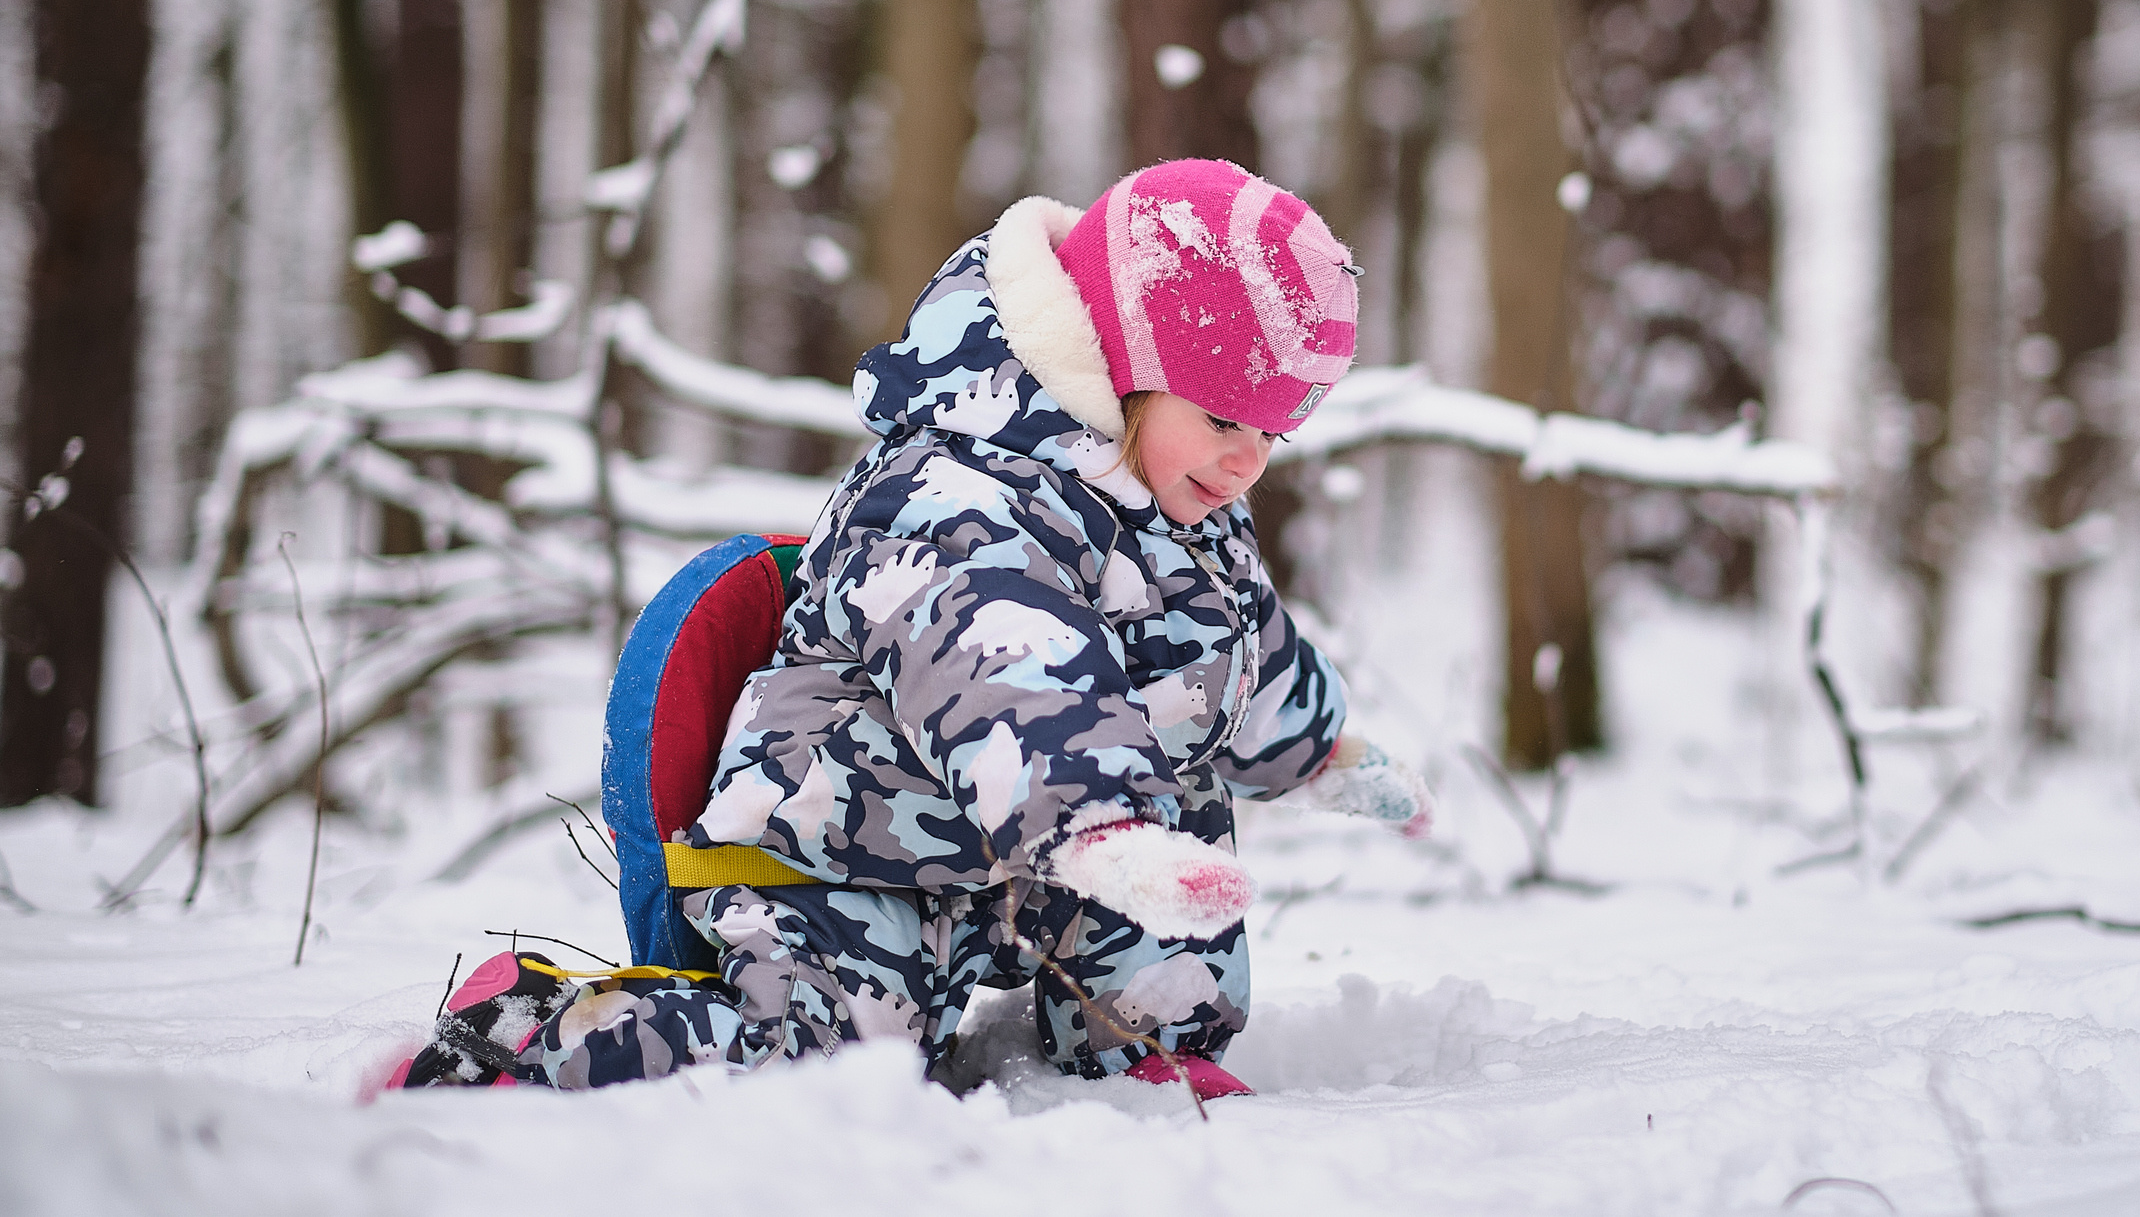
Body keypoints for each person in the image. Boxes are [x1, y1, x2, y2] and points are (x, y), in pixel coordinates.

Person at [398, 158, 1434, 1097]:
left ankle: (1153, 1044)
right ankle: (527, 1036)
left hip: (1012, 858)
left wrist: (1323, 746)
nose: (1248, 457)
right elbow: (1009, 663)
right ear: (1122, 365)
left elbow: (1234, 653)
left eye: (1272, 429)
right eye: (1221, 416)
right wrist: (1098, 827)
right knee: (824, 1060)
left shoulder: (1185, 517)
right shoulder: (954, 494)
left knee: (1176, 770)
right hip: (840, 853)